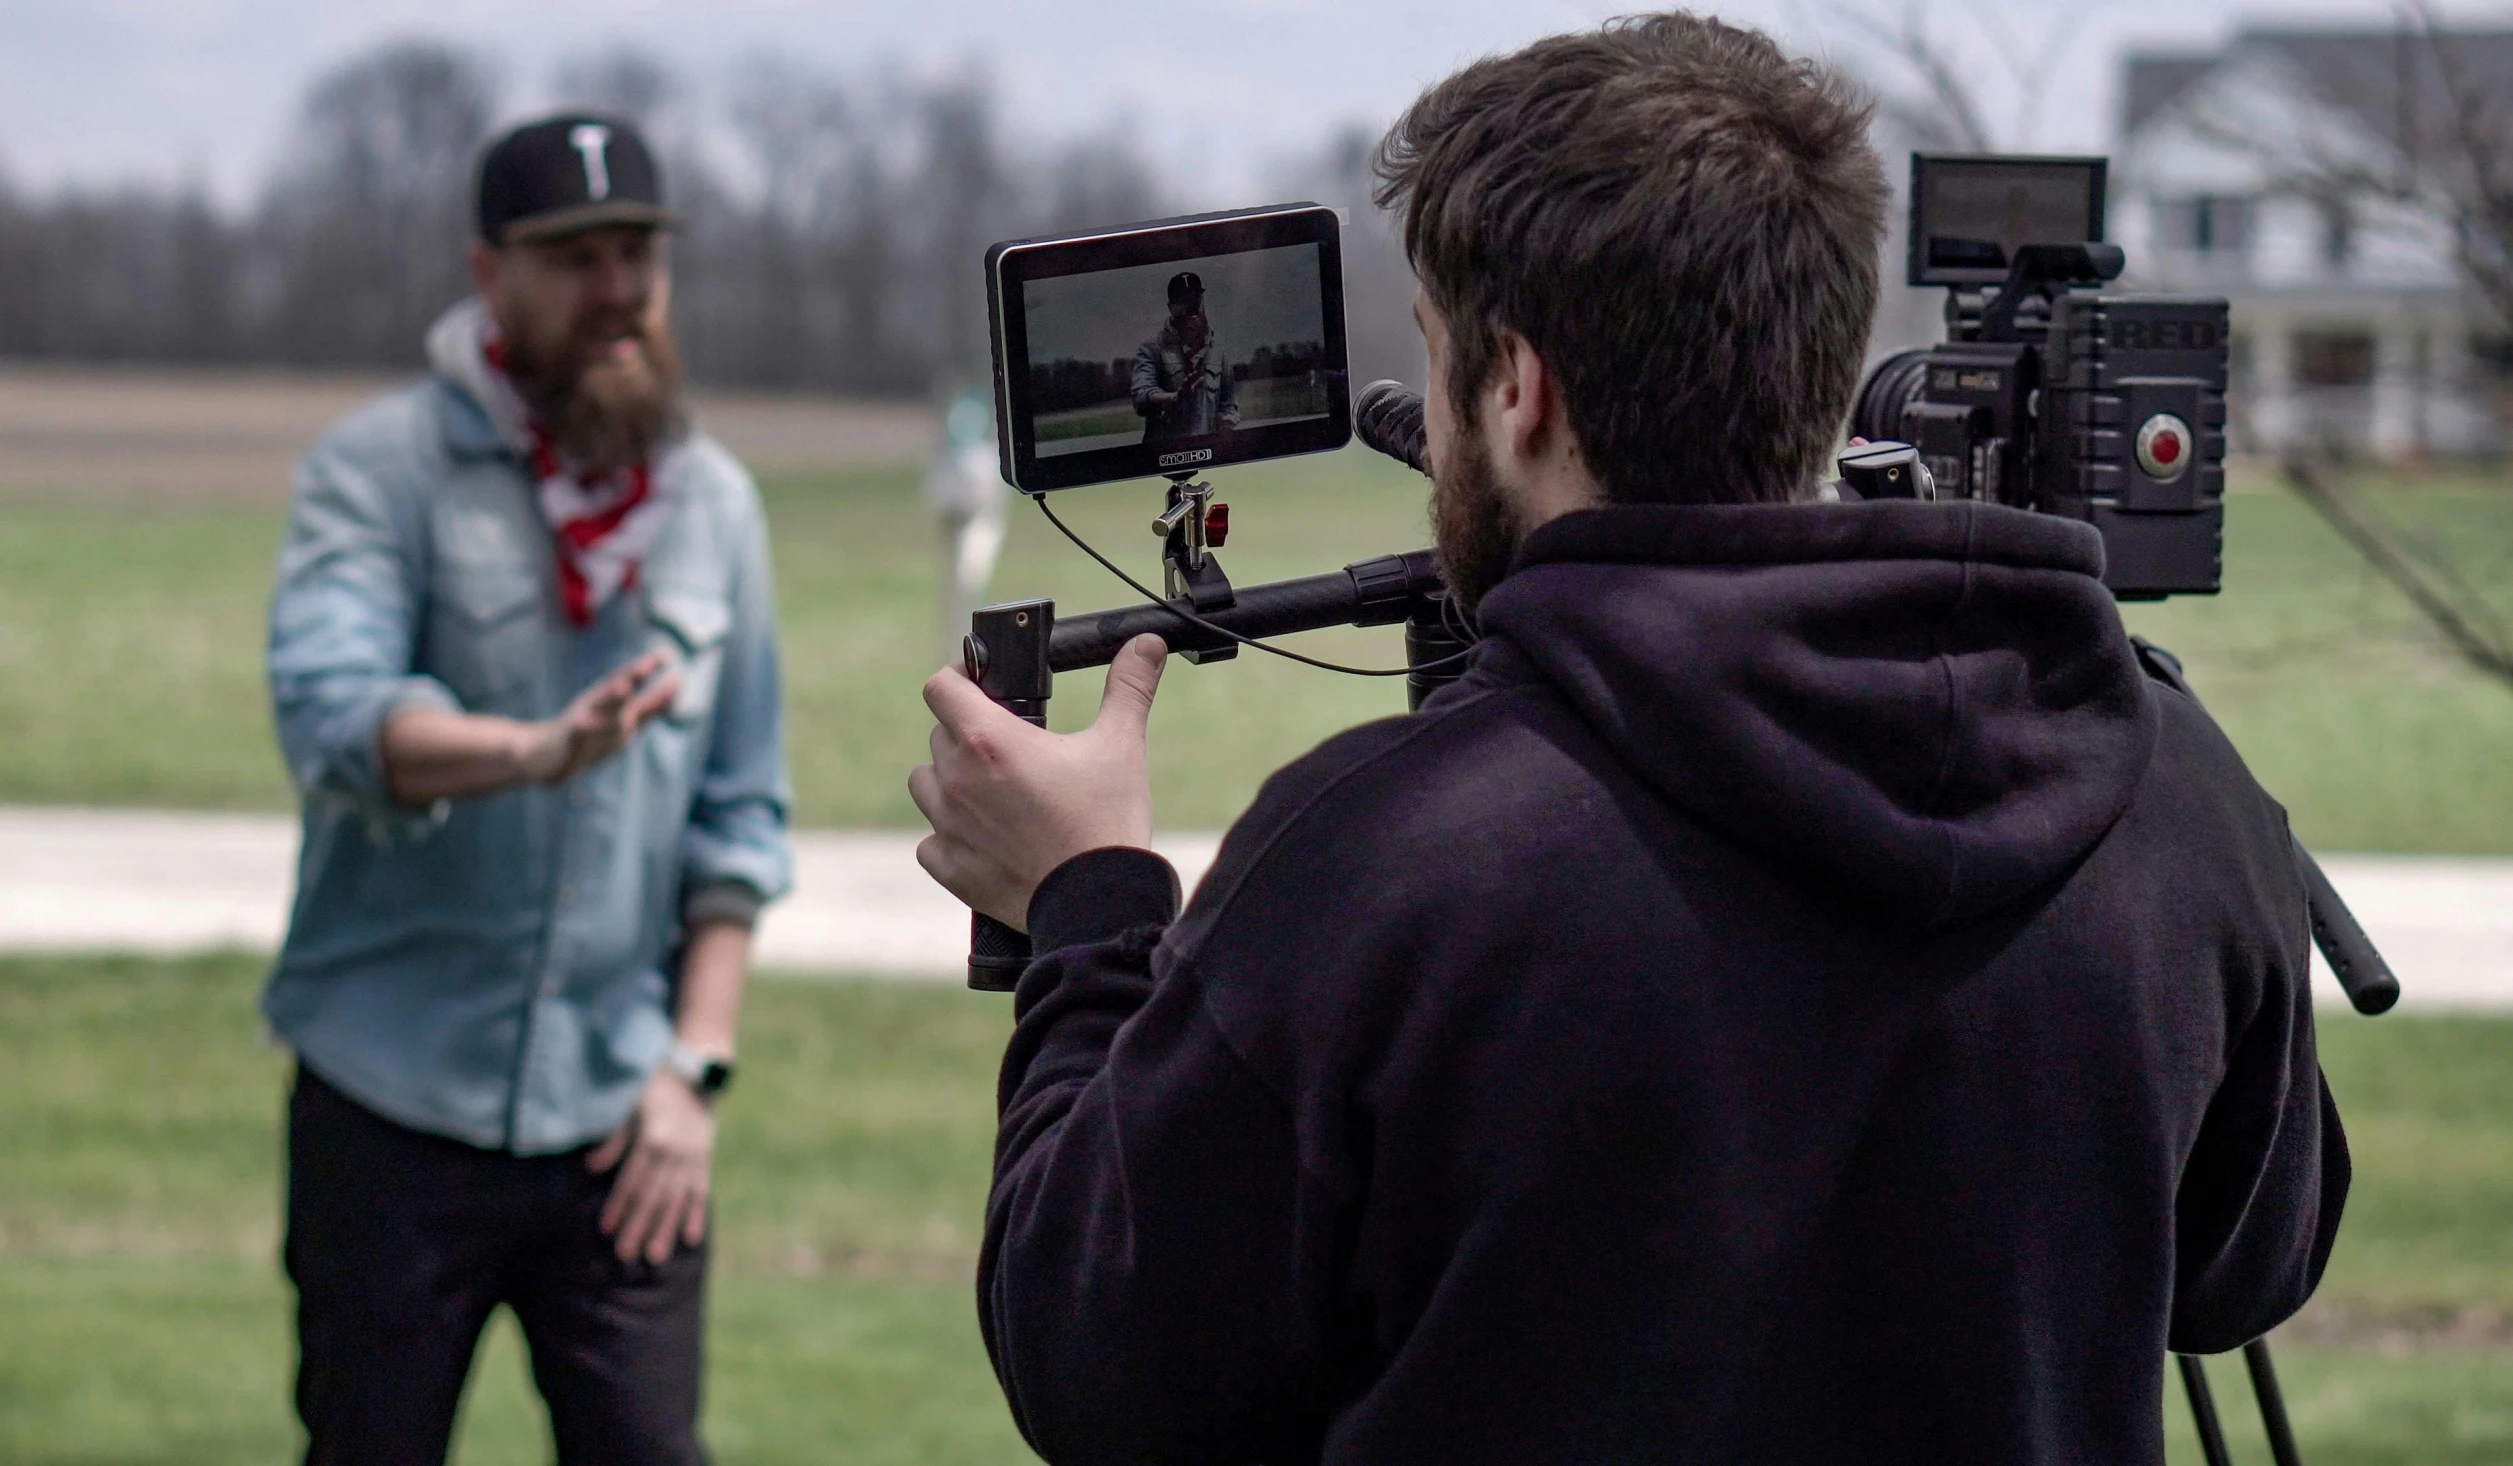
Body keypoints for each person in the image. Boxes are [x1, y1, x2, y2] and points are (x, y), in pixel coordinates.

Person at [909, 14, 2346, 1465]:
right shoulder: (2165, 788)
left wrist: (1085, 905)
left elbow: (1102, 1366)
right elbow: (2246, 1266)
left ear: (1517, 389)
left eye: (1437, 358)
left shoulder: (1383, 856)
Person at [265, 113, 790, 1465]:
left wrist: (692, 1075)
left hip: (624, 1118)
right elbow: (331, 713)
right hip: (391, 1104)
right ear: (488, 270)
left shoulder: (713, 504)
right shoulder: (380, 471)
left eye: (638, 255)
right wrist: (527, 751)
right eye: (574, 258)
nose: (616, 288)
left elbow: (739, 815)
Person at [1131, 270, 1239, 442]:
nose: (1191, 306)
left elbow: (1228, 405)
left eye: (1195, 299)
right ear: (1170, 307)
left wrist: (1225, 432)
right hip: (1165, 456)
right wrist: (1172, 398)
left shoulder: (1218, 350)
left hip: (1206, 454)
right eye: (1182, 300)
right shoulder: (1152, 349)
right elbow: (1141, 395)